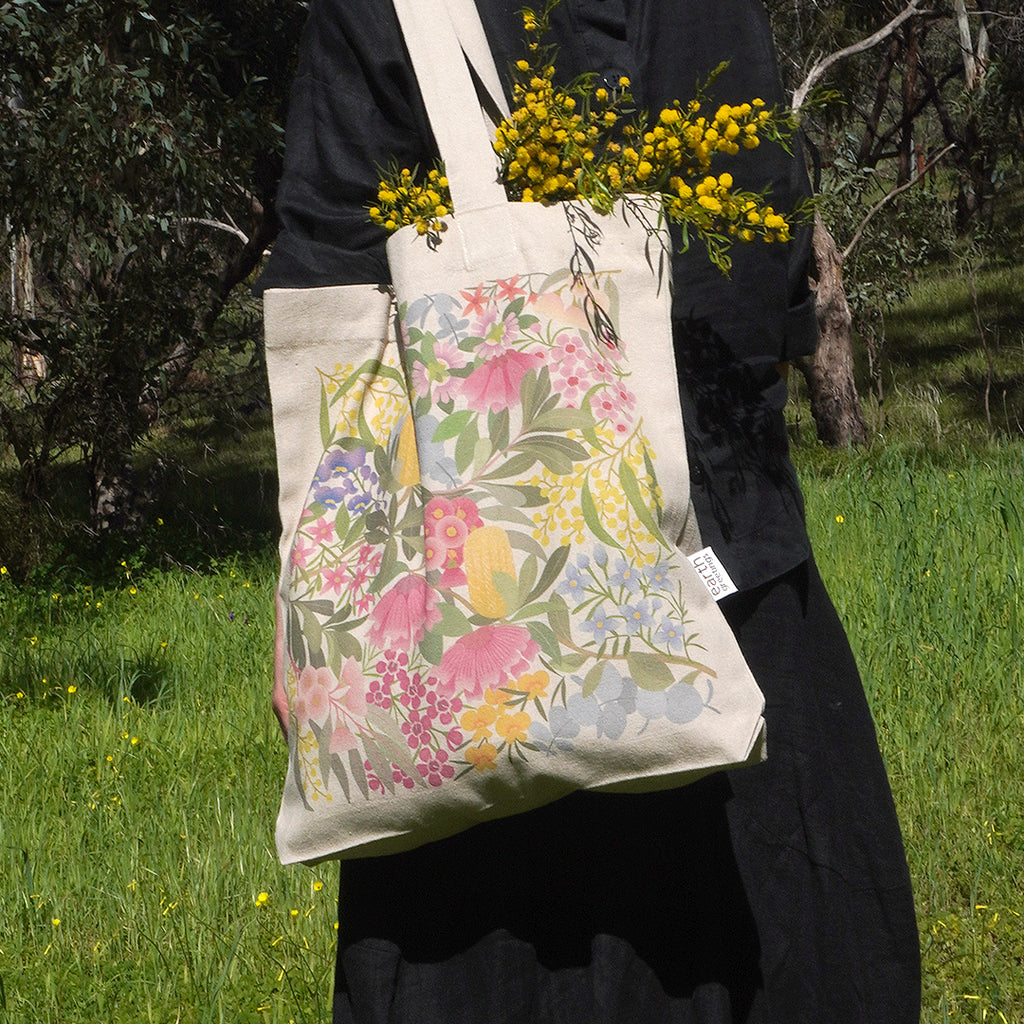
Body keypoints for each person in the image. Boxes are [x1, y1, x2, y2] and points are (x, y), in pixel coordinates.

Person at [258, 1, 922, 1021]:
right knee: (780, 947)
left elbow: (331, 264)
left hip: (478, 636)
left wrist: (308, 585)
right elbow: (766, 243)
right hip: (727, 568)